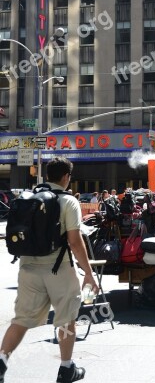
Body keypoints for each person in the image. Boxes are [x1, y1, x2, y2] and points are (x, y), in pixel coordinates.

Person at [0, 158, 99, 383]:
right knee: (66, 319)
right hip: (58, 269)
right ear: (66, 177)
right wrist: (89, 274)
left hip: (27, 268)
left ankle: (1, 362)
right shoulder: (68, 201)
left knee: (21, 319)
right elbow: (74, 241)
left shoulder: (28, 198)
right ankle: (66, 369)